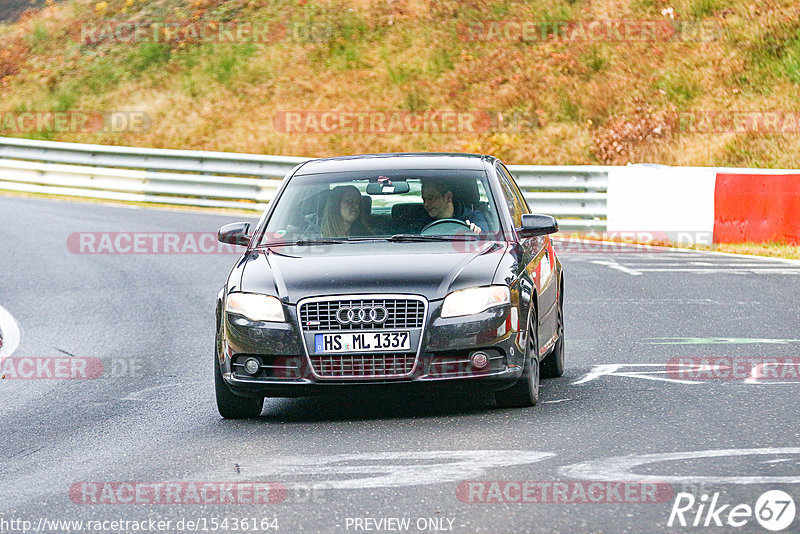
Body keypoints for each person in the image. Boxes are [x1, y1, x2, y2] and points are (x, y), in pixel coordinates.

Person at [420, 178, 489, 235]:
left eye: (431, 198)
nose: (426, 203)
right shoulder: (420, 221)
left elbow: (486, 241)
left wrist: (477, 232)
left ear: (448, 197)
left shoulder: (473, 217)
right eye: (424, 199)